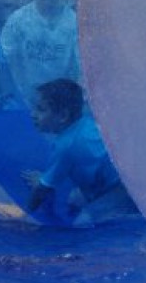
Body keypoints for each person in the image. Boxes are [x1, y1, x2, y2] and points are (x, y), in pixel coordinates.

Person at [24, 78, 135, 225]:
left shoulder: (66, 145)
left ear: (63, 116)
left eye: (41, 109)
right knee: (74, 199)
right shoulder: (87, 123)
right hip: (127, 178)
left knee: (83, 222)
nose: (33, 114)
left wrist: (26, 214)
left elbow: (42, 191)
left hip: (119, 190)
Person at [0, 0, 81, 109]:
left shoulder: (74, 24)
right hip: (22, 100)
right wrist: (11, 94)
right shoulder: (19, 20)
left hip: (59, 105)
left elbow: (80, 70)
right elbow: (2, 62)